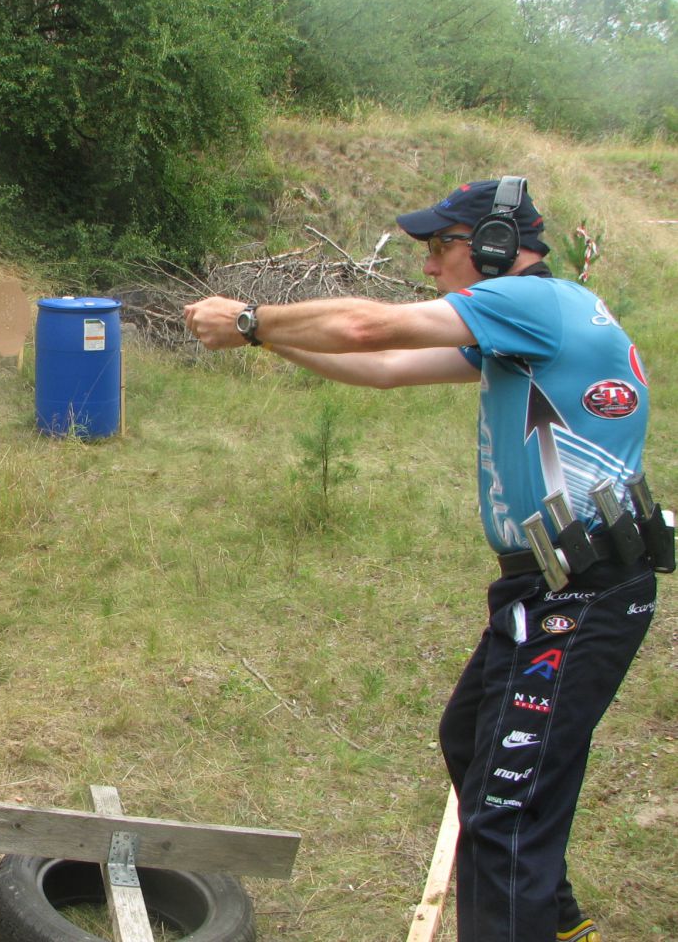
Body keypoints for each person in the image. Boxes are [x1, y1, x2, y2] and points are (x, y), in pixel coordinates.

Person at [183, 178, 667, 942]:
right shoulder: (535, 321)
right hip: (551, 587)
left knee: (505, 810)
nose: (431, 266)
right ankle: (556, 924)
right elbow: (385, 367)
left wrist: (250, 319)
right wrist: (264, 340)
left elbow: (365, 327)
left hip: (579, 592)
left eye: (441, 246)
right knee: (472, 741)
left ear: (498, 245)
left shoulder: (533, 302)